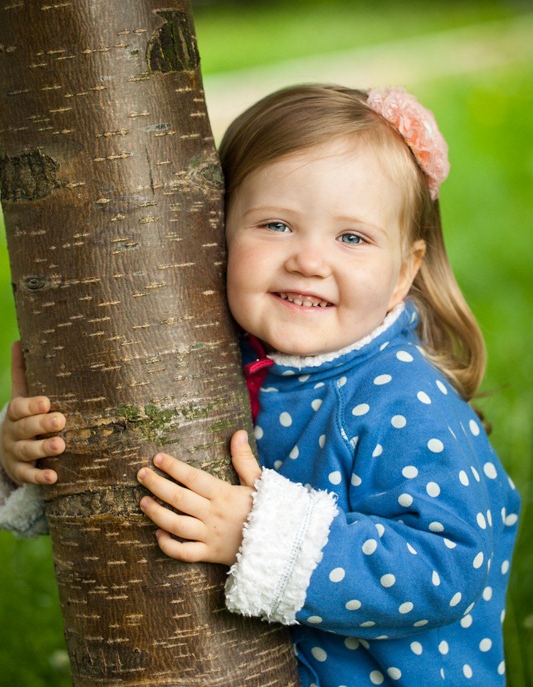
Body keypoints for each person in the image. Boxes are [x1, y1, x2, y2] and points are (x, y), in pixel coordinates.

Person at [0, 85, 520, 686]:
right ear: (215, 236)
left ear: (404, 271)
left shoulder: (402, 400)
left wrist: (263, 534)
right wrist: (32, 460)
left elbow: (448, 566)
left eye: (351, 238)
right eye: (276, 225)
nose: (308, 260)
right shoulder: (209, 360)